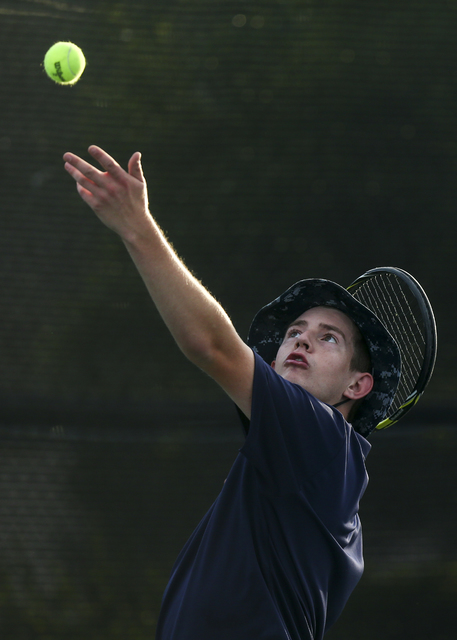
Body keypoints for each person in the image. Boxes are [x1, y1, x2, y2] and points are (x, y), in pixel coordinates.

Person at [63, 146, 401, 640]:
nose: (301, 337)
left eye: (329, 337)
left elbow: (212, 346)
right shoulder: (298, 466)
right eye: (295, 330)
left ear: (358, 385)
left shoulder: (324, 443)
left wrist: (136, 225)